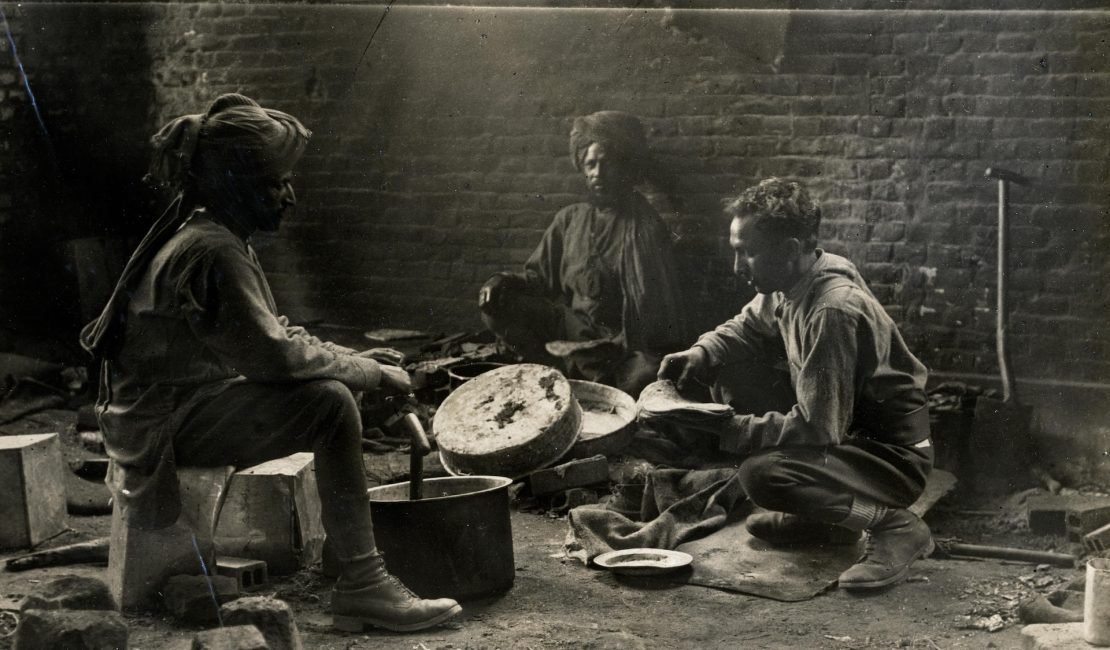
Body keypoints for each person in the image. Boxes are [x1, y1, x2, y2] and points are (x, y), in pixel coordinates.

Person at [80, 94, 461, 631]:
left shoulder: (213, 237)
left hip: (177, 406)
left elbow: (273, 332)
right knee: (328, 403)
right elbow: (276, 358)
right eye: (274, 183)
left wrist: (351, 358)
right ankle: (363, 583)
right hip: (161, 429)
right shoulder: (213, 250)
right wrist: (369, 374)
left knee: (332, 387)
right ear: (235, 184)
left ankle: (351, 565)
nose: (290, 196)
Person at [658, 177, 934, 590]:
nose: (737, 268)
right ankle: (829, 520)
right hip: (851, 436)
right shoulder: (793, 280)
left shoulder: (831, 311)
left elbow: (820, 428)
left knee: (763, 475)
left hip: (890, 456)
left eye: (747, 254)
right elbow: (748, 325)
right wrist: (702, 352)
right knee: (726, 369)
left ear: (789, 251)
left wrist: (729, 428)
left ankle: (894, 526)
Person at [478, 110, 689, 397]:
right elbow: (538, 279)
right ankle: (548, 371)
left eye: (607, 164)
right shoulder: (569, 219)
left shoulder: (644, 226)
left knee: (646, 378)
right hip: (568, 330)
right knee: (500, 304)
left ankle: (584, 381)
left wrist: (624, 346)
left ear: (625, 167)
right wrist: (502, 280)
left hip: (618, 345)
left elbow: (655, 316)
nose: (597, 174)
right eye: (590, 164)